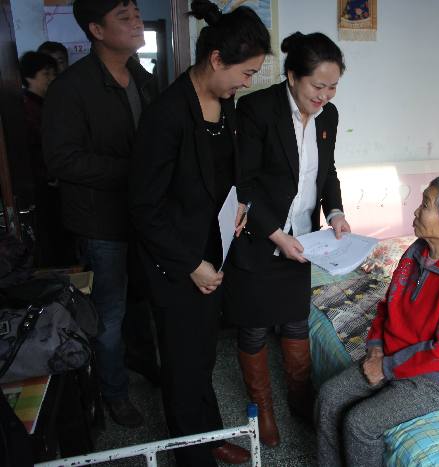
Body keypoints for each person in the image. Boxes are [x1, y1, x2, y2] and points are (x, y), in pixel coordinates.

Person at [129, 1, 271, 465]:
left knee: (202, 357)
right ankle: (192, 456)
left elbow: (229, 172)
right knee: (182, 364)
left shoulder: (224, 106)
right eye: (246, 72)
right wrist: (191, 264)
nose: (246, 83)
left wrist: (241, 203)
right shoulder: (167, 115)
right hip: (176, 262)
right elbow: (144, 208)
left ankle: (208, 436)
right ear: (216, 59)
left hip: (212, 252)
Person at [224, 31, 351, 448]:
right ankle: (262, 409)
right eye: (318, 86)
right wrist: (276, 234)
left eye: (333, 87)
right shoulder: (257, 109)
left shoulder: (328, 116)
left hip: (302, 238)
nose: (325, 96)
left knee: (296, 321)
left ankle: (299, 399)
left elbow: (327, 173)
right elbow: (244, 183)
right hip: (260, 236)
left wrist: (336, 213)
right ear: (293, 76)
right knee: (255, 328)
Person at [316, 175, 439, 466]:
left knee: (360, 423)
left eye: (425, 205)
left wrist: (385, 367)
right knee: (329, 397)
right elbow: (388, 306)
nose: (416, 210)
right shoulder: (416, 251)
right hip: (393, 355)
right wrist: (376, 349)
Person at [43, 0, 157, 427]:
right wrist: (133, 171)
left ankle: (141, 362)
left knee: (142, 301)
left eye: (136, 14)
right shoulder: (71, 88)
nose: (136, 22)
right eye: (124, 18)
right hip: (100, 223)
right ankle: (114, 392)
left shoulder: (143, 78)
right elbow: (62, 160)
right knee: (109, 313)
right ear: (96, 29)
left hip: (143, 216)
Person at [19, 51, 74, 267]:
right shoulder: (26, 108)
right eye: (46, 74)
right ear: (29, 77)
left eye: (53, 73)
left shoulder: (48, 104)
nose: (52, 78)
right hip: (41, 185)